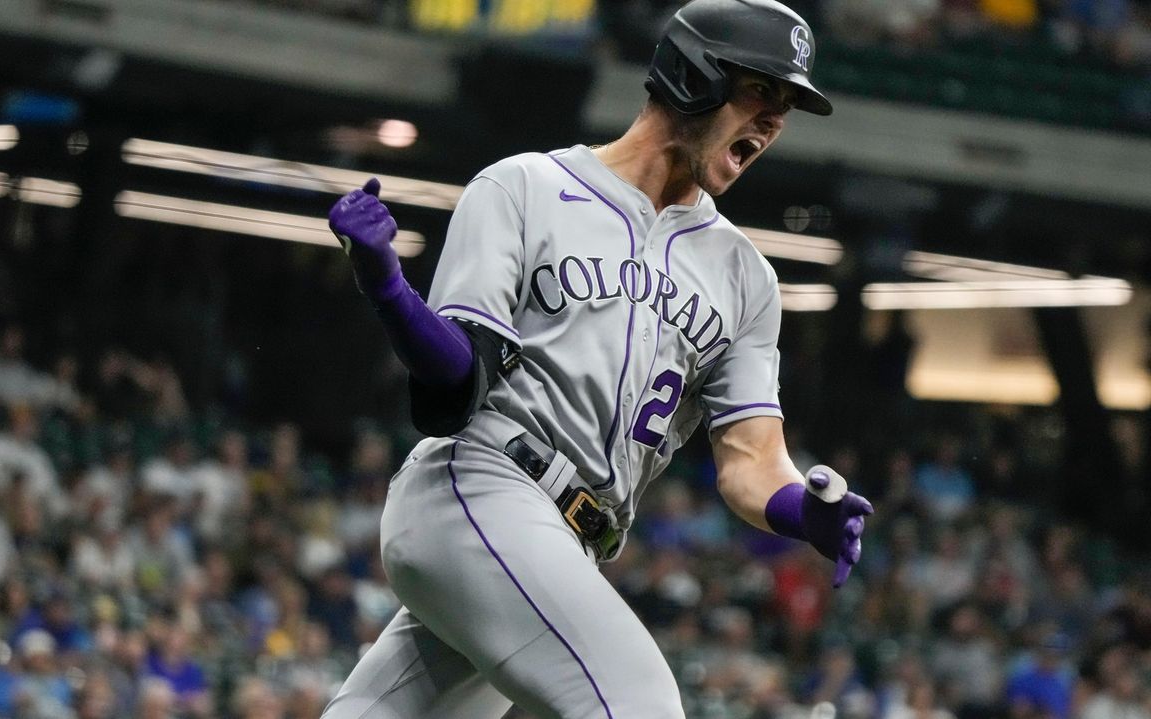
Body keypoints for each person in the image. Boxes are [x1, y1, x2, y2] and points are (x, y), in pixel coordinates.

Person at [322, 0, 873, 716]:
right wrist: (391, 291)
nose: (773, 121)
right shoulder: (525, 186)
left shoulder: (746, 277)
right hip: (482, 487)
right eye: (762, 90)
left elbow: (750, 459)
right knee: (637, 702)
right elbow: (456, 382)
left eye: (787, 106)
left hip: (564, 544)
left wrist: (801, 509)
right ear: (694, 75)